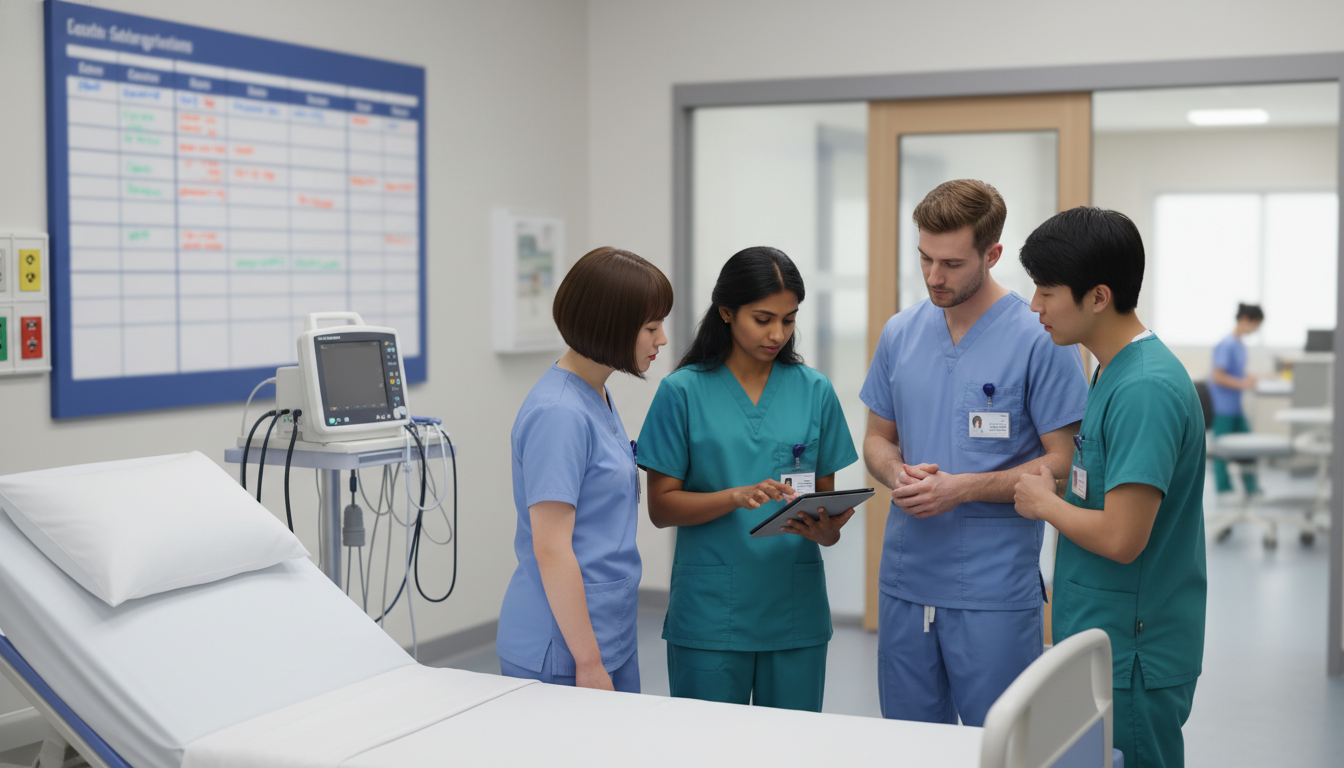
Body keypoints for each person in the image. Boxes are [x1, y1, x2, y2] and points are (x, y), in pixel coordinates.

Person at [859, 179, 1088, 727]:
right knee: (909, 747)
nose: (934, 277)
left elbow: (1063, 462)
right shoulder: (900, 333)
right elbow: (876, 439)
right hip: (906, 583)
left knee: (999, 747)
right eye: (925, 259)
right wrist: (898, 473)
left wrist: (959, 489)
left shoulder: (1041, 339)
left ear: (992, 255)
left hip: (992, 590)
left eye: (952, 263)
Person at [1013, 207, 1206, 768]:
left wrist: (1045, 505)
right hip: (1102, 639)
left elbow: (1123, 537)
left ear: (1098, 296)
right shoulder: (1109, 371)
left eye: (1047, 292)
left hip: (1132, 653)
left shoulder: (1144, 388)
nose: (1034, 307)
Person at [637, 246, 858, 712]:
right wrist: (735, 496)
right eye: (763, 319)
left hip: (793, 611)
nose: (778, 333)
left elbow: (826, 507)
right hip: (711, 612)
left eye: (789, 319)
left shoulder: (814, 391)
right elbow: (661, 508)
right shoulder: (682, 392)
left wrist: (828, 529)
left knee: (794, 752)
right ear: (725, 312)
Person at [496, 246, 672, 693]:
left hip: (604, 629)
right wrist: (589, 663)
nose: (662, 339)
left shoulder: (597, 396)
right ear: (610, 326)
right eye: (651, 327)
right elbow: (551, 547)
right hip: (563, 646)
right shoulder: (559, 413)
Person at [1209, 303, 1265, 495]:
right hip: (1223, 407)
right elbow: (1218, 375)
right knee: (1222, 450)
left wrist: (1248, 377)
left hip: (1236, 407)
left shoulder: (1239, 344)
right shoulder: (1226, 344)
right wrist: (1243, 384)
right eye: (1255, 325)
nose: (1255, 330)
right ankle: (1224, 490)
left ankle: (1251, 487)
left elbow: (1237, 370)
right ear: (1245, 320)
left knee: (1248, 447)